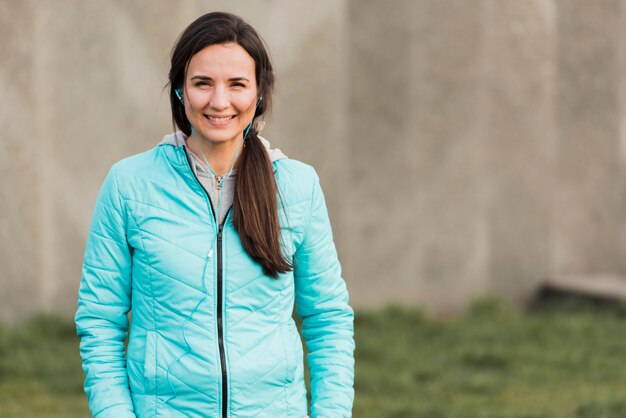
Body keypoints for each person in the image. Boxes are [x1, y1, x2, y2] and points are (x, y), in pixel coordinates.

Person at [74, 11, 355, 418]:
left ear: (259, 94)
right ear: (180, 92)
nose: (219, 101)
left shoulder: (297, 186)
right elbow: (100, 321)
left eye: (237, 84)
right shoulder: (129, 185)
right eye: (202, 83)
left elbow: (327, 318)